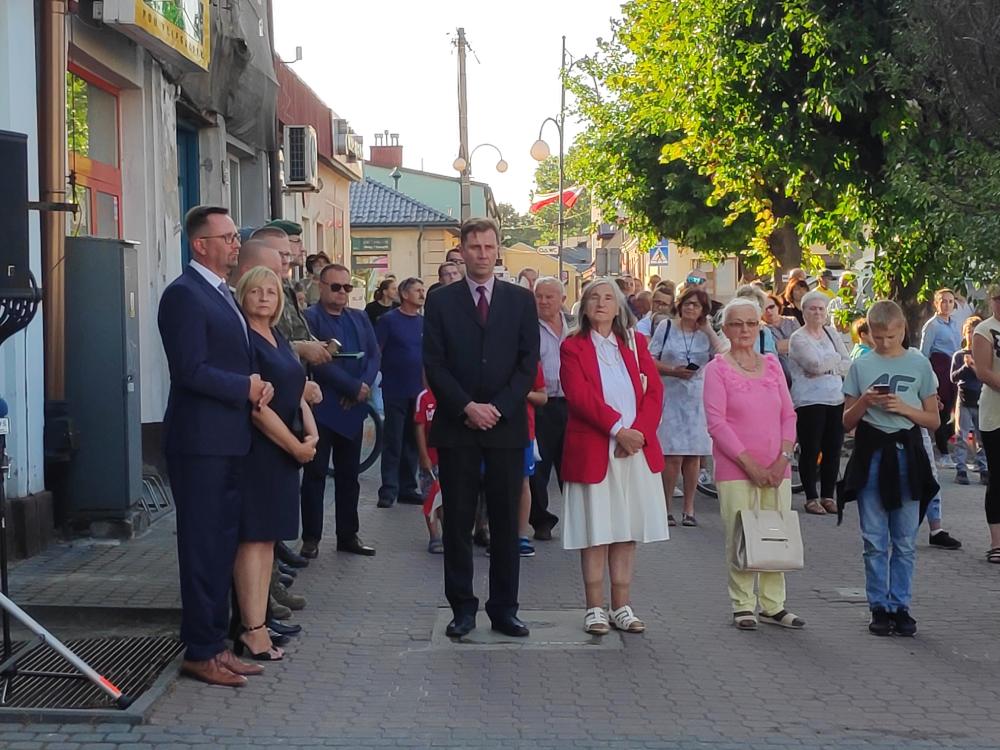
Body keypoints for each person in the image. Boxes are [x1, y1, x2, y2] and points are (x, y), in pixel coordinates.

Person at [157, 205, 270, 686]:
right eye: (225, 237)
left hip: (228, 440)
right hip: (200, 442)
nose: (234, 244)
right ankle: (200, 651)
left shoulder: (221, 294)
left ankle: (216, 645)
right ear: (199, 244)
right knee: (203, 548)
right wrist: (243, 387)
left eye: (234, 236)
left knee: (221, 544)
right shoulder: (183, 295)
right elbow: (190, 369)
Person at [423, 217, 540, 639]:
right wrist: (468, 407)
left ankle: (504, 609)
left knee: (507, 522)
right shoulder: (441, 302)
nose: (483, 254)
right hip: (458, 426)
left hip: (505, 427)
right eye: (474, 247)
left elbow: (529, 363)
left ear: (498, 250)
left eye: (489, 247)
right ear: (462, 250)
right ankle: (463, 609)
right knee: (457, 522)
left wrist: (499, 407)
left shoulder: (519, 300)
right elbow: (434, 363)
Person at [560, 278, 668, 635]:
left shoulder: (637, 344)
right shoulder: (573, 346)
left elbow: (654, 392)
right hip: (596, 448)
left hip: (634, 451)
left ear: (620, 305)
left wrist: (637, 434)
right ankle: (594, 608)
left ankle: (622, 606)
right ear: (584, 306)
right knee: (597, 531)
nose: (601, 304)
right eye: (594, 298)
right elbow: (579, 396)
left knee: (625, 531)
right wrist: (617, 430)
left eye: (609, 298)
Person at [232, 266, 318, 661]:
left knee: (268, 540)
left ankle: (261, 621)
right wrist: (295, 447)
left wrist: (311, 434)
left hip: (286, 450)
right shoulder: (244, 340)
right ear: (242, 295)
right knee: (253, 539)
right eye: (256, 291)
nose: (265, 296)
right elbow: (258, 409)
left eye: (271, 291)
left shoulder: (279, 336)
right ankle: (251, 629)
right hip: (262, 450)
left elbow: (296, 389)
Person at [703, 297, 804, 631]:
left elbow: (788, 414)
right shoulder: (717, 369)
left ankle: (774, 604)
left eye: (750, 323)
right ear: (726, 329)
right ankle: (743, 603)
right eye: (736, 324)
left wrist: (783, 459)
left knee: (777, 534)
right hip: (737, 469)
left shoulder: (773, 365)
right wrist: (751, 466)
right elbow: (717, 424)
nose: (744, 330)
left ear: (759, 325)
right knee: (740, 535)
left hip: (778, 468)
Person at [840, 300, 940, 637]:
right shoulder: (861, 365)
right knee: (874, 538)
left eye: (892, 337)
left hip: (906, 453)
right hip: (872, 453)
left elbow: (934, 420)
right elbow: (846, 422)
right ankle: (878, 606)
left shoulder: (919, 363)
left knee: (905, 538)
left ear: (903, 331)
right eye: (878, 337)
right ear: (868, 333)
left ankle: (901, 605)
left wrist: (906, 409)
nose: (884, 343)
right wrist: (865, 402)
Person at [300, 264, 381, 558]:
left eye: (347, 288)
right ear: (321, 287)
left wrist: (364, 386)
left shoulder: (359, 318)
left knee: (350, 476)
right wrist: (350, 386)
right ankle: (311, 538)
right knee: (315, 475)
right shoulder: (310, 318)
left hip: (353, 408)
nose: (342, 293)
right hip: (322, 408)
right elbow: (318, 362)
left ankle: (348, 535)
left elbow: (374, 355)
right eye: (335, 287)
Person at [649, 287, 721, 527]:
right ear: (680, 305)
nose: (691, 308)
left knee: (693, 455)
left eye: (697, 305)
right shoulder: (666, 327)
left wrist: (709, 329)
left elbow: (722, 354)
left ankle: (689, 508)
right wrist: (672, 371)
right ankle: (666, 506)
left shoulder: (704, 333)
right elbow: (649, 359)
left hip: (697, 397)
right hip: (671, 393)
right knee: (672, 455)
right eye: (688, 304)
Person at [787, 291, 852, 515]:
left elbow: (847, 363)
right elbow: (812, 365)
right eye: (812, 308)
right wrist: (832, 364)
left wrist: (828, 365)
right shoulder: (798, 338)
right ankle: (811, 497)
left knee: (833, 448)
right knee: (811, 449)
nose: (817, 312)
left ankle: (828, 495)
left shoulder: (832, 333)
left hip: (835, 397)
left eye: (821, 309)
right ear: (803, 311)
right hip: (809, 401)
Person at [375, 277, 426, 508]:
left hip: (418, 390)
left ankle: (408, 487)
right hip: (395, 387)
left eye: (423, 290)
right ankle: (388, 489)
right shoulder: (388, 321)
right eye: (417, 290)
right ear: (405, 295)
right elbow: (377, 350)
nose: (422, 294)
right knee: (393, 439)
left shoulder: (424, 323)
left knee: (413, 441)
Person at [528, 276, 570, 540]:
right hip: (541, 405)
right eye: (539, 296)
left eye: (549, 296)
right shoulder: (528, 328)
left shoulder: (575, 328)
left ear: (562, 300)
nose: (543, 301)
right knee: (538, 468)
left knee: (571, 466)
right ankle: (541, 520)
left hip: (571, 404)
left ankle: (579, 520)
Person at [972, 286, 1000, 564]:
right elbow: (983, 371)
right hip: (996, 415)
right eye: (998, 299)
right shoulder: (985, 330)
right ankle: (996, 543)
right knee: (998, 478)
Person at [920, 288, 962, 464]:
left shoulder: (955, 323)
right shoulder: (932, 325)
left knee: (958, 409)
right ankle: (944, 453)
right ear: (936, 304)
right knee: (942, 410)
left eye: (950, 301)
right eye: (943, 301)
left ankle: (944, 438)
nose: (947, 304)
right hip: (939, 368)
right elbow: (924, 352)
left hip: (955, 368)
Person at [952, 316, 988, 485]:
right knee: (962, 436)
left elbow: (985, 376)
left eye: (975, 333)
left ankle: (984, 468)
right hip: (964, 399)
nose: (971, 336)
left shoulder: (984, 354)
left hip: (981, 400)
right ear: (964, 334)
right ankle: (961, 469)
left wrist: (974, 366)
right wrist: (965, 366)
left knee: (982, 438)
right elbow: (953, 377)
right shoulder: (960, 355)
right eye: (969, 332)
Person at [414, 384, 443, 553]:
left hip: (448, 458)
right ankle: (434, 536)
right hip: (431, 461)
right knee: (430, 497)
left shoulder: (451, 394)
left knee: (447, 499)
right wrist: (423, 456)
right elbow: (419, 427)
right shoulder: (424, 397)